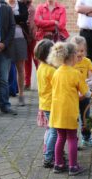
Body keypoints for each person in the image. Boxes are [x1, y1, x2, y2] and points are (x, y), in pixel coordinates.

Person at [47, 42, 91, 176]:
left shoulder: (56, 72)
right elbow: (86, 93)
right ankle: (73, 166)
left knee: (60, 137)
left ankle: (58, 164)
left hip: (57, 111)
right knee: (72, 138)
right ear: (72, 56)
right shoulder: (75, 73)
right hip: (69, 111)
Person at [70, 36, 92, 148]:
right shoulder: (70, 63)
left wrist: (90, 83)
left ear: (86, 51)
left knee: (85, 117)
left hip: (84, 95)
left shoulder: (87, 62)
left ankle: (86, 138)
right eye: (76, 51)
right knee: (73, 118)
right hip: (72, 96)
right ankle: (73, 140)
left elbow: (91, 77)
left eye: (82, 50)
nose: (79, 53)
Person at [34, 39, 57, 168]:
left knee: (50, 130)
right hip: (52, 104)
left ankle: (51, 153)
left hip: (44, 103)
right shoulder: (51, 70)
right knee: (54, 131)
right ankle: (48, 157)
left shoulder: (41, 67)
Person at [6, 0, 28, 106]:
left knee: (20, 68)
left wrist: (11, 17)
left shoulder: (22, 5)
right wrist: (17, 19)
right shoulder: (2, 4)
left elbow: (24, 17)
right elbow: (3, 21)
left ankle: (21, 96)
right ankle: (5, 96)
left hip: (20, 39)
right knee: (6, 68)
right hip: (6, 40)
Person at [23, 0, 38, 90]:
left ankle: (39, 80)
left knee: (35, 59)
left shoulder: (31, 8)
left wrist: (31, 36)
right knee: (26, 60)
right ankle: (27, 82)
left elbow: (31, 24)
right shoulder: (21, 7)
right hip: (25, 36)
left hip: (32, 37)